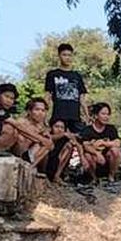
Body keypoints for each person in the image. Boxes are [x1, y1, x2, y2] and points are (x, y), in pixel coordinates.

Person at [43, 43, 89, 180]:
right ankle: (49, 172)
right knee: (56, 144)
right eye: (64, 54)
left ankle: (65, 173)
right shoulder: (52, 74)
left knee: (78, 141)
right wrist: (45, 114)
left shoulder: (76, 76)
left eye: (69, 55)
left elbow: (81, 97)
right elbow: (47, 95)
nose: (67, 57)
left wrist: (86, 115)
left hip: (74, 116)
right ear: (59, 56)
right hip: (58, 115)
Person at [0, 97, 53, 169]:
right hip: (15, 152)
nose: (40, 113)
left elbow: (51, 146)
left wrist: (47, 137)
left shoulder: (42, 127)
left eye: (43, 110)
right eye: (37, 109)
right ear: (29, 111)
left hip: (28, 155)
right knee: (21, 137)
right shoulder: (21, 122)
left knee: (47, 143)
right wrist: (39, 138)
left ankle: (31, 168)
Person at [79, 101, 121, 191]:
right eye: (103, 114)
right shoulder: (87, 130)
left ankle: (111, 177)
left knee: (115, 150)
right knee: (87, 155)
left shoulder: (111, 129)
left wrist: (104, 143)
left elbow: (118, 143)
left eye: (108, 114)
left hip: (108, 160)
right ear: (96, 115)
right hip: (94, 160)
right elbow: (86, 146)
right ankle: (93, 178)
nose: (106, 117)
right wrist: (96, 153)